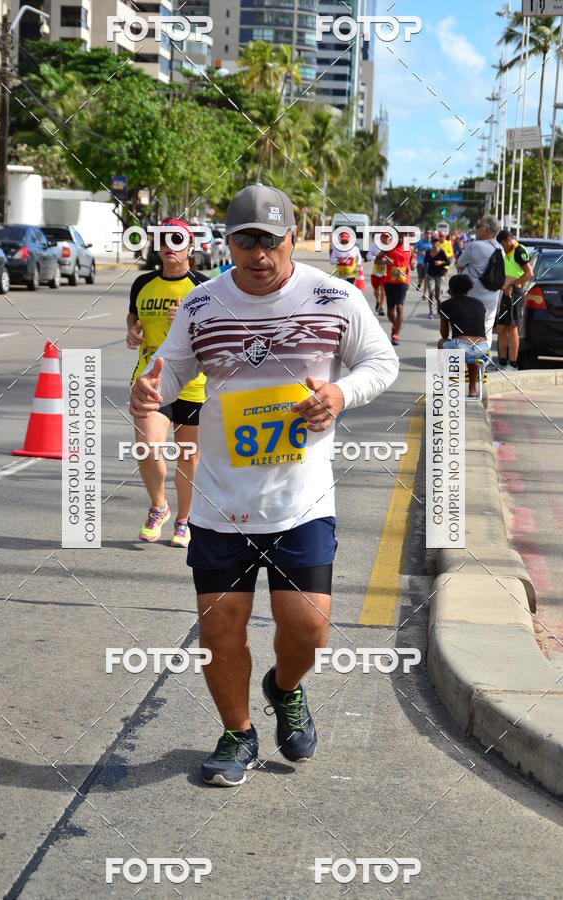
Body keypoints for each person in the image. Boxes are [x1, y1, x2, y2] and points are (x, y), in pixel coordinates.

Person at [130, 184, 399, 786]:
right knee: (220, 627)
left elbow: (381, 362)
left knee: (309, 629)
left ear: (291, 239)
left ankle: (284, 688)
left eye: (271, 242)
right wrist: (153, 388)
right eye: (246, 241)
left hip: (301, 499)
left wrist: (340, 392)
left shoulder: (335, 297)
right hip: (221, 502)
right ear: (228, 241)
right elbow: (173, 368)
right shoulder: (201, 305)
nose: (259, 255)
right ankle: (237, 734)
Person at [127, 218, 208, 547]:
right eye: (163, 240)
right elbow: (134, 316)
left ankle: (184, 520)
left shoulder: (203, 287)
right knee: (148, 446)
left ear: (190, 246)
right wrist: (132, 331)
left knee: (187, 457)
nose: (169, 246)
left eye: (177, 239)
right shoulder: (143, 283)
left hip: (195, 385)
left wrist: (190, 324)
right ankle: (159, 506)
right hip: (151, 380)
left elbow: (217, 334)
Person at [456, 215, 504, 352]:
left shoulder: (475, 246)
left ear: (486, 230)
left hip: (473, 299)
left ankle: (464, 367)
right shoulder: (500, 248)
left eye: (478, 227)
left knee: (465, 332)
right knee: (487, 332)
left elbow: (459, 264)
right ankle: (482, 365)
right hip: (492, 298)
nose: (476, 230)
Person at [438, 274, 489, 398]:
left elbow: (444, 333)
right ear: (468, 288)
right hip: (482, 349)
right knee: (472, 348)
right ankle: (472, 389)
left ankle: (447, 387)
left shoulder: (445, 305)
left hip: (460, 347)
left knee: (441, 342)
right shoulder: (479, 304)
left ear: (451, 289)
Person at [495, 230, 533, 369]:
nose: (503, 247)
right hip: (505, 293)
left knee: (512, 327)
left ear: (508, 240)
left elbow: (529, 273)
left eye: (503, 244)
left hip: (514, 293)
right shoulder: (509, 252)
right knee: (500, 328)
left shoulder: (519, 251)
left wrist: (512, 284)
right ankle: (502, 361)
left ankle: (513, 363)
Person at [377, 233, 412, 346]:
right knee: (390, 312)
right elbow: (377, 260)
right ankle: (395, 324)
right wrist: (384, 261)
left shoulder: (409, 248)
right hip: (390, 282)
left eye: (403, 237)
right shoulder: (388, 248)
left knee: (400, 306)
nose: (401, 239)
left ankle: (395, 334)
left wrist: (414, 264)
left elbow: (412, 262)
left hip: (403, 281)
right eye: (399, 236)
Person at [424, 237, 449, 318]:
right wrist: (423, 265)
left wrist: (441, 262)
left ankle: (439, 305)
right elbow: (425, 261)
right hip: (430, 274)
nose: (435, 245)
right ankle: (431, 312)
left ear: (439, 244)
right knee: (431, 292)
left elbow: (448, 262)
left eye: (437, 244)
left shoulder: (441, 252)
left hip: (439, 275)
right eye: (434, 243)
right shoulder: (428, 252)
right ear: (431, 244)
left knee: (438, 295)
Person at [367, 236, 387, 315]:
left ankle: (382, 308)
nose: (386, 239)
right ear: (381, 238)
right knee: (376, 290)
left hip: (385, 273)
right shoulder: (374, 246)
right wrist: (376, 258)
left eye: (387, 237)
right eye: (384, 237)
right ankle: (378, 302)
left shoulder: (391, 247)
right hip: (375, 272)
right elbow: (368, 255)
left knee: (383, 290)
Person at [414, 227, 433, 295]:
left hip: (428, 263)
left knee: (426, 278)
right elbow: (414, 250)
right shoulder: (420, 241)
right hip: (420, 262)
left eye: (430, 233)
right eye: (427, 233)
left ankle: (424, 294)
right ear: (424, 233)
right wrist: (420, 252)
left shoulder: (432, 242)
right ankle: (419, 284)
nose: (428, 235)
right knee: (420, 277)